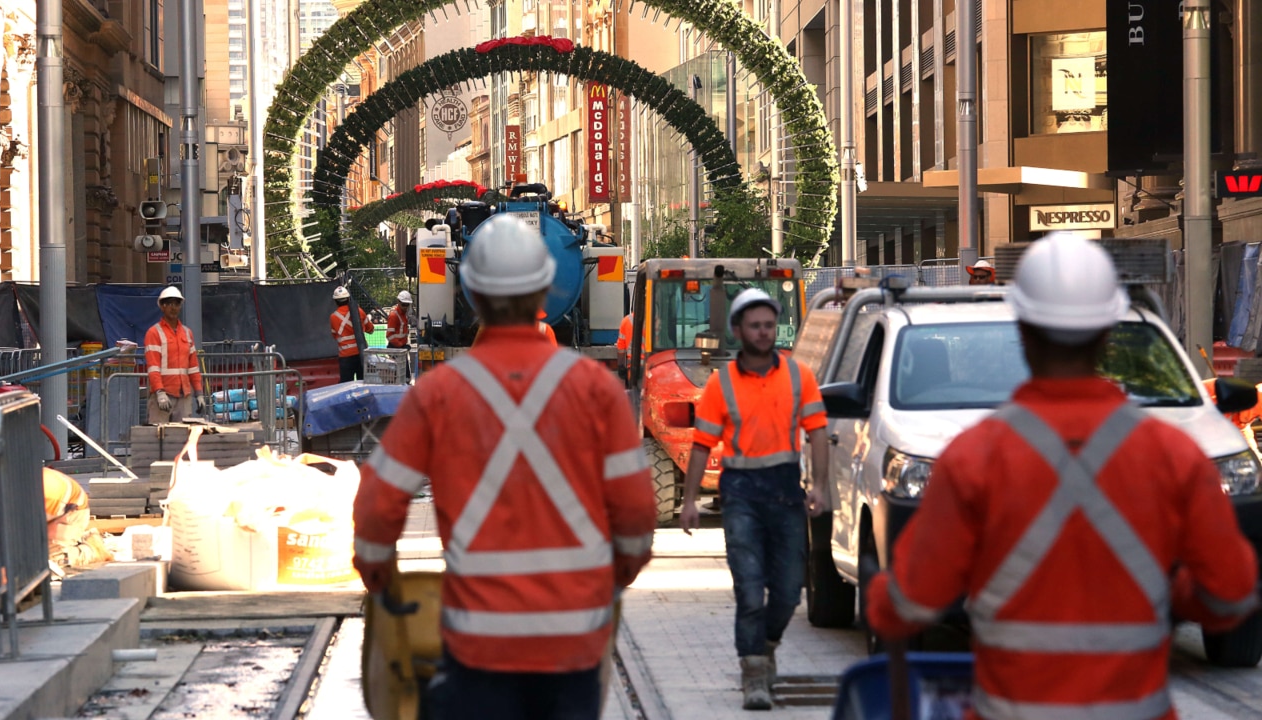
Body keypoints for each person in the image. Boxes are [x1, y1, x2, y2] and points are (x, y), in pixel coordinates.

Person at [867, 233, 1259, 719]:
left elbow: (908, 604)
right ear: (1105, 335)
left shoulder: (973, 458)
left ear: (1023, 330)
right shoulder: (1175, 456)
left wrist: (877, 591)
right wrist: (1170, 592)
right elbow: (1231, 596)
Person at [353, 213, 656, 720]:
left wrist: (379, 578)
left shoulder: (439, 394)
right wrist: (615, 577)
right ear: (546, 288)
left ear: (471, 291)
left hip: (479, 640)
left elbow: (379, 506)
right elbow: (635, 514)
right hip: (575, 637)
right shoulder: (596, 390)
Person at [680, 287, 830, 711]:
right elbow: (700, 445)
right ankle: (754, 673)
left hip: (784, 490)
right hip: (741, 491)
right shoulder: (720, 383)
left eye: (769, 325)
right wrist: (690, 501)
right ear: (737, 330)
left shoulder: (799, 375)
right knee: (749, 588)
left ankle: (765, 646)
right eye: (755, 326)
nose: (764, 333)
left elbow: (818, 432)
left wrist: (820, 486)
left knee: (786, 590)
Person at [145, 286, 204, 424]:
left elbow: (193, 367)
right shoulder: (154, 333)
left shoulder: (187, 333)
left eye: (176, 303)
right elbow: (153, 367)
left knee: (182, 439)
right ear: (162, 306)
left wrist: (199, 393)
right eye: (169, 303)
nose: (173, 307)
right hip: (163, 395)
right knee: (159, 439)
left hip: (184, 396)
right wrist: (159, 392)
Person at [44, 467, 111, 570]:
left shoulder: (47, 495)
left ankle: (93, 552)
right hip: (57, 509)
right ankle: (81, 537)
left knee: (50, 562)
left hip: (73, 513)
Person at [331, 285, 374, 383]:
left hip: (345, 358)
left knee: (345, 385)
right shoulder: (359, 311)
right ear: (348, 298)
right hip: (361, 354)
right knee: (363, 384)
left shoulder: (333, 317)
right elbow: (371, 329)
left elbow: (334, 335)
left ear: (336, 301)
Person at [385, 290, 415, 383]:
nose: (405, 307)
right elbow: (389, 335)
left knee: (404, 375)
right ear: (398, 302)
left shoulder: (403, 314)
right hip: (395, 349)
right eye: (403, 304)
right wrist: (400, 345)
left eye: (407, 305)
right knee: (399, 376)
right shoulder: (394, 315)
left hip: (400, 349)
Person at [616, 312, 633, 378]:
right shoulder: (656, 320)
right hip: (653, 365)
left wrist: (621, 366)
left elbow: (621, 348)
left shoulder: (626, 320)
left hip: (632, 365)